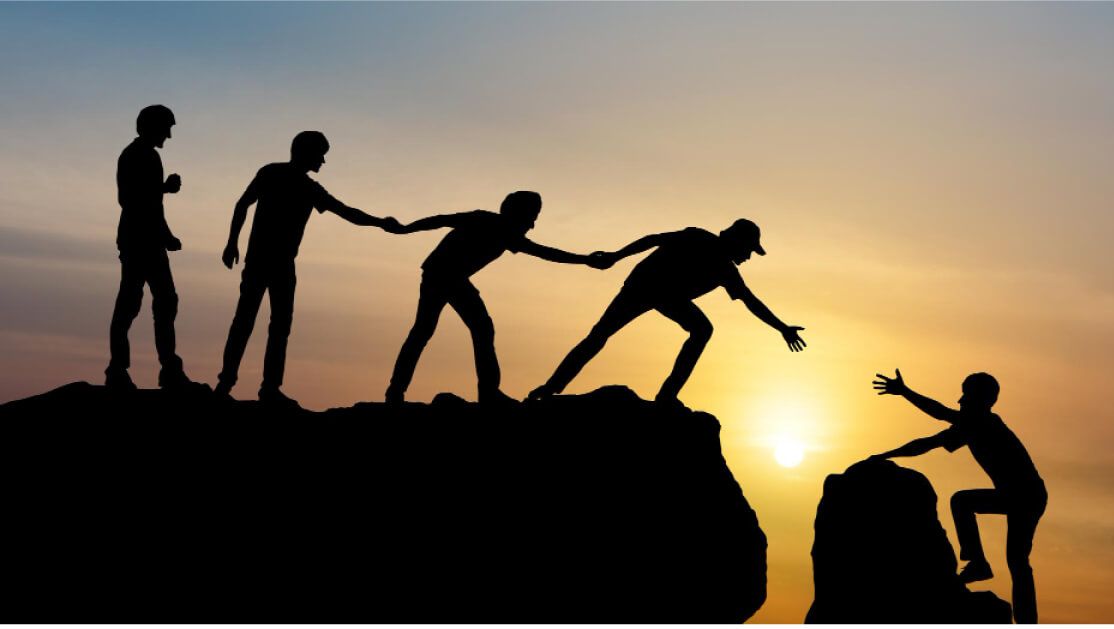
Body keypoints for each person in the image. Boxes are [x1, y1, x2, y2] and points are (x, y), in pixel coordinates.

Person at [527, 219, 806, 407]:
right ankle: (551, 387)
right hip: (643, 286)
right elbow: (653, 239)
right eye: (748, 250)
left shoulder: (726, 270)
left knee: (701, 330)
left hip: (668, 296)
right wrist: (616, 255)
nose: (748, 257)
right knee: (600, 335)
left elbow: (751, 301)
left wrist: (782, 328)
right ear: (736, 241)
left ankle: (666, 396)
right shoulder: (697, 238)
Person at [214, 131, 400, 406]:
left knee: (268, 324)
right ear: (307, 153)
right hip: (267, 262)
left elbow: (346, 212)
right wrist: (231, 243)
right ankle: (237, 384)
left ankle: (260, 387)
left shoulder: (294, 182)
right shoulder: (291, 181)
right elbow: (243, 204)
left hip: (275, 263)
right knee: (254, 322)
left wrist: (379, 223)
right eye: (320, 154)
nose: (323, 161)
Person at [384, 191, 604, 406]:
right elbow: (441, 220)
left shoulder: (504, 231)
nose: (532, 225)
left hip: (446, 276)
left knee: (430, 331)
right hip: (444, 275)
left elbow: (543, 252)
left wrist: (584, 260)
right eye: (532, 217)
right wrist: (404, 229)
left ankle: (398, 391)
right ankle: (486, 393)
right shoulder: (488, 222)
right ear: (517, 213)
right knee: (462, 329)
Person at [870, 369, 1047, 624]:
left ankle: (978, 563)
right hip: (1025, 494)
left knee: (965, 504)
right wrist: (886, 456)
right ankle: (986, 573)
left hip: (1026, 494)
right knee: (1017, 561)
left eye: (965, 395)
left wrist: (905, 392)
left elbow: (940, 412)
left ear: (981, 400)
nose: (960, 401)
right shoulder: (970, 428)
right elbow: (927, 443)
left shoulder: (985, 423)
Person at [106, 104, 196, 391]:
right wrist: (164, 189)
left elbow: (154, 208)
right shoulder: (133, 155)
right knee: (130, 304)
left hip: (152, 241)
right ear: (152, 127)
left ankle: (169, 368)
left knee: (166, 301)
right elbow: (129, 199)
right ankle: (118, 369)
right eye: (166, 128)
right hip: (135, 241)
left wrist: (167, 237)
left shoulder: (151, 157)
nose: (168, 135)